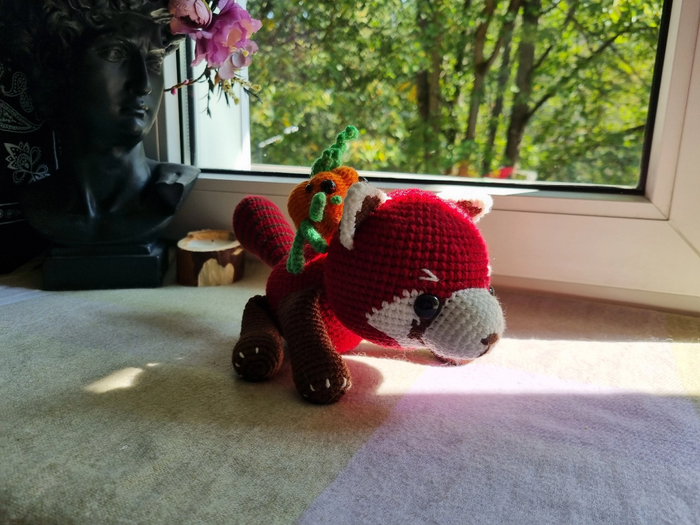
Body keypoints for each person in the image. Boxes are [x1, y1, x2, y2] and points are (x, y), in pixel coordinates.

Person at [0, 0, 199, 246]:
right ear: (54, 62)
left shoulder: (170, 190)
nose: (143, 85)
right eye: (116, 54)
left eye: (153, 61)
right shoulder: (36, 203)